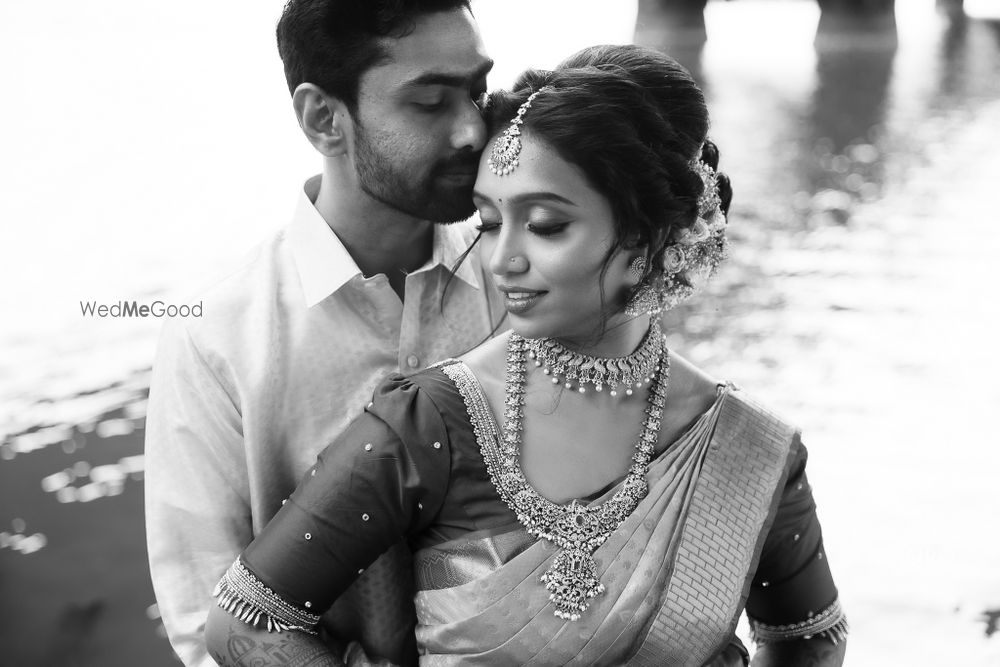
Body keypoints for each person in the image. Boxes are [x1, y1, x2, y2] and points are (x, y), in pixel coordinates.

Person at [204, 45, 849, 666]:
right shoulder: (429, 423)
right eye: (487, 222)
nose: (502, 259)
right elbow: (244, 622)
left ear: (649, 237)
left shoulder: (747, 450)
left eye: (545, 225)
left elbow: (809, 638)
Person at [144, 1, 500, 665]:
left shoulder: (526, 282)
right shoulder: (217, 342)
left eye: (478, 91)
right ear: (323, 119)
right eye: (431, 101)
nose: (472, 131)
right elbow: (208, 625)